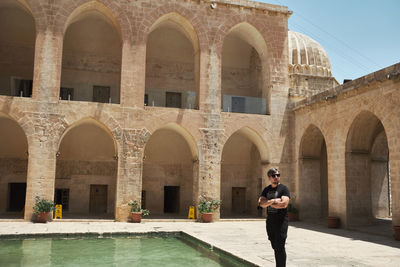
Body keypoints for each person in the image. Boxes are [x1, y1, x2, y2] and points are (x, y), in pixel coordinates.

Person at [258, 167, 290, 267]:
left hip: (281, 222)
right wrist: (273, 201)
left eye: (278, 175)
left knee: (280, 246)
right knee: (274, 245)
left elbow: (284, 204)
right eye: (273, 176)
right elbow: (261, 203)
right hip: (270, 222)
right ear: (269, 178)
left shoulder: (284, 189)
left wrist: (268, 203)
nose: (276, 177)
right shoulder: (266, 189)